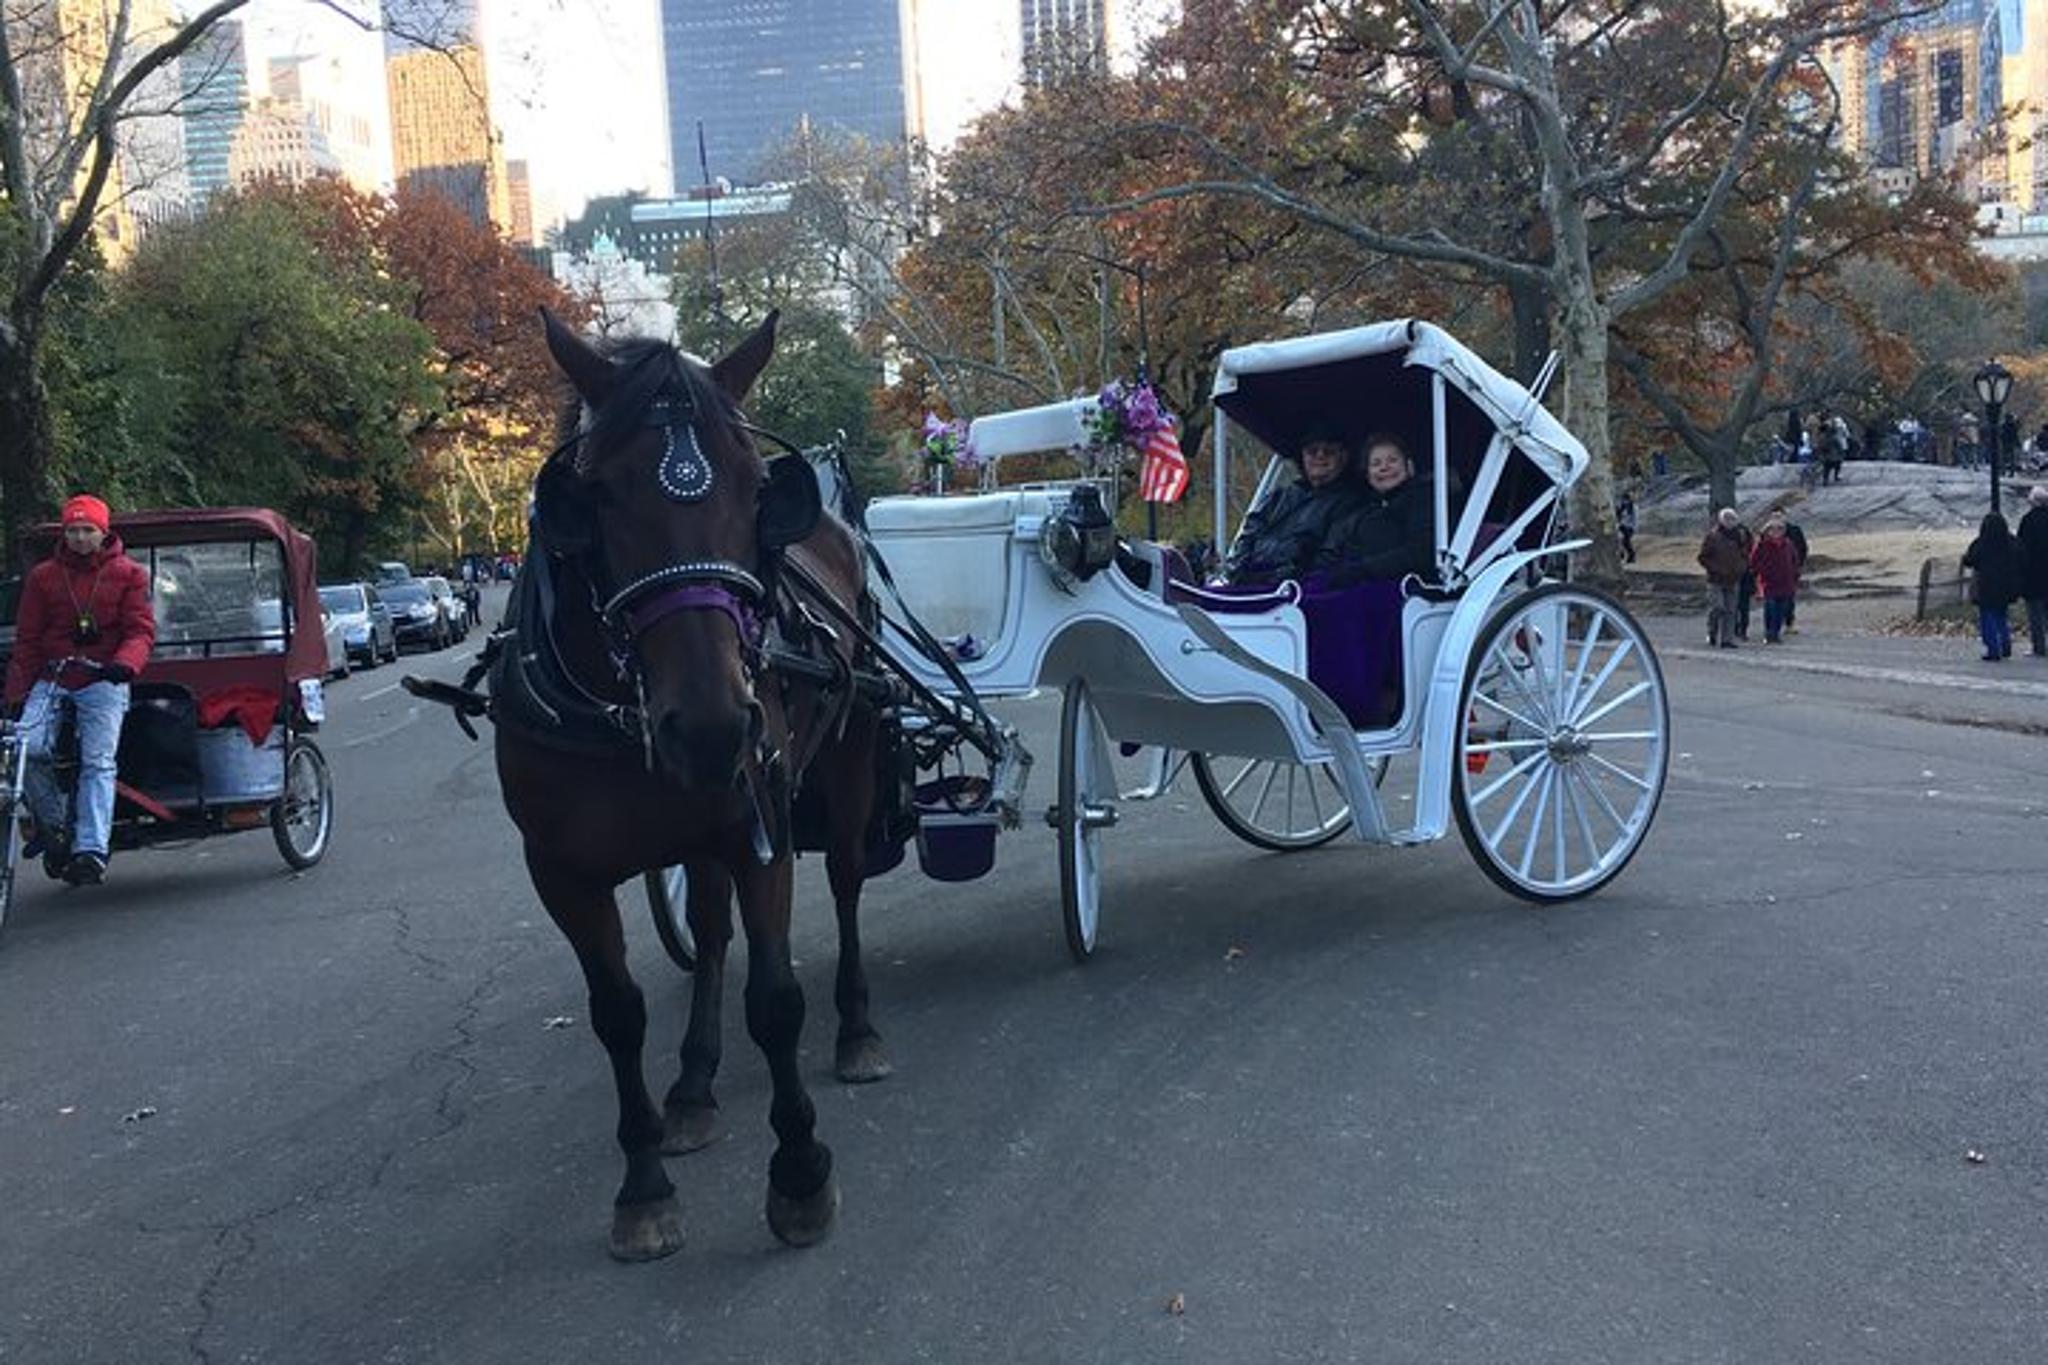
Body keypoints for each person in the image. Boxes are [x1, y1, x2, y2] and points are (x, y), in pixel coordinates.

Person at [2, 495, 157, 885]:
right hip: (53, 676)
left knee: (98, 762)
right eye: (73, 530)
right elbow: (29, 639)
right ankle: (53, 825)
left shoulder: (129, 573)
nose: (80, 538)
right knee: (27, 746)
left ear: (103, 532)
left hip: (103, 677)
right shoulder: (43, 577)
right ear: (64, 533)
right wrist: (16, 692)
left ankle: (91, 848)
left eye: (88, 530)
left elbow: (140, 629)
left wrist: (126, 663)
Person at [1223, 429, 1364, 584]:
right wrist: (1239, 572)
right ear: (1302, 456)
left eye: (1329, 451)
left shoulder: (1351, 504)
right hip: (1251, 584)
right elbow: (1247, 537)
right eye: (1312, 451)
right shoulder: (1276, 497)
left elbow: (1329, 558)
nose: (1320, 456)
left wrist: (1284, 578)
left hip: (1299, 590)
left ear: (1343, 458)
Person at [1316, 433, 1435, 585]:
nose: (1384, 467)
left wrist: (1362, 569)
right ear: (1368, 475)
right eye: (1376, 463)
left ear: (1409, 466)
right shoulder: (1366, 508)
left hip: (1401, 586)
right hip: (1357, 578)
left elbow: (1422, 552)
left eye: (1392, 460)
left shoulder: (1422, 497)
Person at [1962, 511, 2026, 662]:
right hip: (2007, 584)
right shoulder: (2012, 541)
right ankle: (2005, 645)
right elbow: (2023, 558)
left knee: (1987, 616)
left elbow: (1970, 560)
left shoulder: (1981, 543)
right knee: (2001, 615)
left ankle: (1993, 649)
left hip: (1986, 584)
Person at [1697, 507, 1749, 648]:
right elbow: (1702, 558)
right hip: (1715, 579)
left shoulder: (1741, 536)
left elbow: (1745, 554)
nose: (1730, 522)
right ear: (1721, 520)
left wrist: (1742, 567)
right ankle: (1712, 631)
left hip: (1733, 578)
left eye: (1732, 518)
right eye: (1727, 518)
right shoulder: (1713, 536)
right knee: (1718, 607)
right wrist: (1715, 569)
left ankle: (1727, 639)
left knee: (1731, 610)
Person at [1749, 514, 1800, 645]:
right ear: (1768, 530)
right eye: (1774, 529)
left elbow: (1794, 560)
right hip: (1769, 581)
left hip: (1785, 581)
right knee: (1770, 607)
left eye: (1780, 528)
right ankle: (1768, 633)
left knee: (1781, 609)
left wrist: (1794, 574)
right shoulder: (1762, 544)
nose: (1777, 531)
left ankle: (1776, 633)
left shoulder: (1788, 544)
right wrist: (1761, 572)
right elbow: (1754, 561)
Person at [2017, 486, 2048, 657]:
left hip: (2033, 574)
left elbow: (2022, 547)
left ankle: (2039, 647)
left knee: (2035, 613)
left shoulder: (2028, 520)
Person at [1782, 515, 1809, 634]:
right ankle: (1773, 627)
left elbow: (1803, 548)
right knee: (1772, 600)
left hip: (1791, 570)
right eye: (1774, 516)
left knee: (1789, 597)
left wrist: (1799, 564)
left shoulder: (1794, 530)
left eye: (1779, 515)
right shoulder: (1766, 531)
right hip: (1771, 573)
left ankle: (1789, 623)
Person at [1616, 491, 1638, 564]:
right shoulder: (1623, 506)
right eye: (1624, 499)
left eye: (1626, 499)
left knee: (1626, 542)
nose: (1624, 501)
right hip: (1623, 526)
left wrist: (1626, 524)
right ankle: (1621, 554)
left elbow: (1632, 518)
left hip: (1630, 527)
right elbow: (1619, 515)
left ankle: (1631, 556)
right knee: (1620, 540)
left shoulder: (1633, 507)